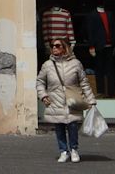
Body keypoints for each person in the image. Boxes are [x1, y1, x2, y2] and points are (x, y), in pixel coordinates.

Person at [38, 35, 95, 163]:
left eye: (57, 45)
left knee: (73, 126)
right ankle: (63, 151)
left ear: (65, 48)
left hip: (72, 100)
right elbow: (40, 81)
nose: (54, 48)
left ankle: (74, 149)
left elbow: (84, 83)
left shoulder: (76, 64)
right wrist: (43, 95)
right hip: (55, 100)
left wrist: (91, 100)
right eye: (52, 46)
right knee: (59, 127)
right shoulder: (47, 65)